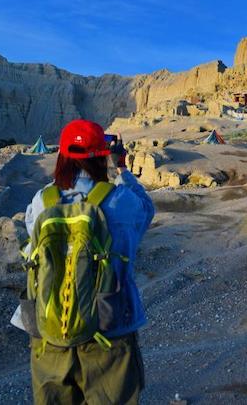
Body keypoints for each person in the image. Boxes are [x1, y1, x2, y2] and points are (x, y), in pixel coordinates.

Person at [21, 119, 154, 404]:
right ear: (102, 155)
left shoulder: (42, 200)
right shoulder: (121, 200)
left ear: (62, 157)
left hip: (50, 331)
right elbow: (147, 210)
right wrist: (122, 169)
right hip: (110, 328)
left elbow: (31, 234)